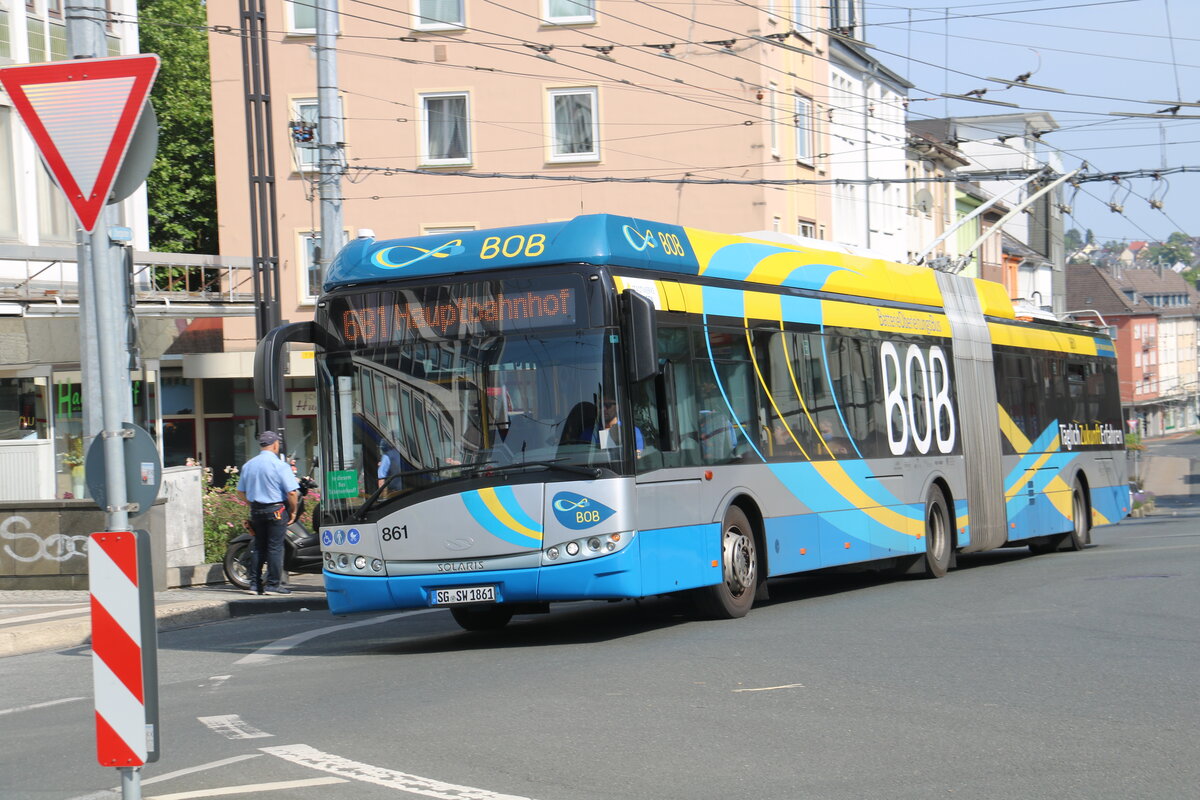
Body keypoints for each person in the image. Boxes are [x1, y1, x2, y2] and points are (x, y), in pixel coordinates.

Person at [236, 430, 300, 595]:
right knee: (275, 547)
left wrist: (253, 502)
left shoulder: (248, 465)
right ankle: (273, 585)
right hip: (276, 510)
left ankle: (255, 585)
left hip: (256, 510)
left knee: (258, 546)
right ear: (275, 444)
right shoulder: (280, 465)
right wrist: (293, 512)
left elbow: (240, 492)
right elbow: (292, 493)